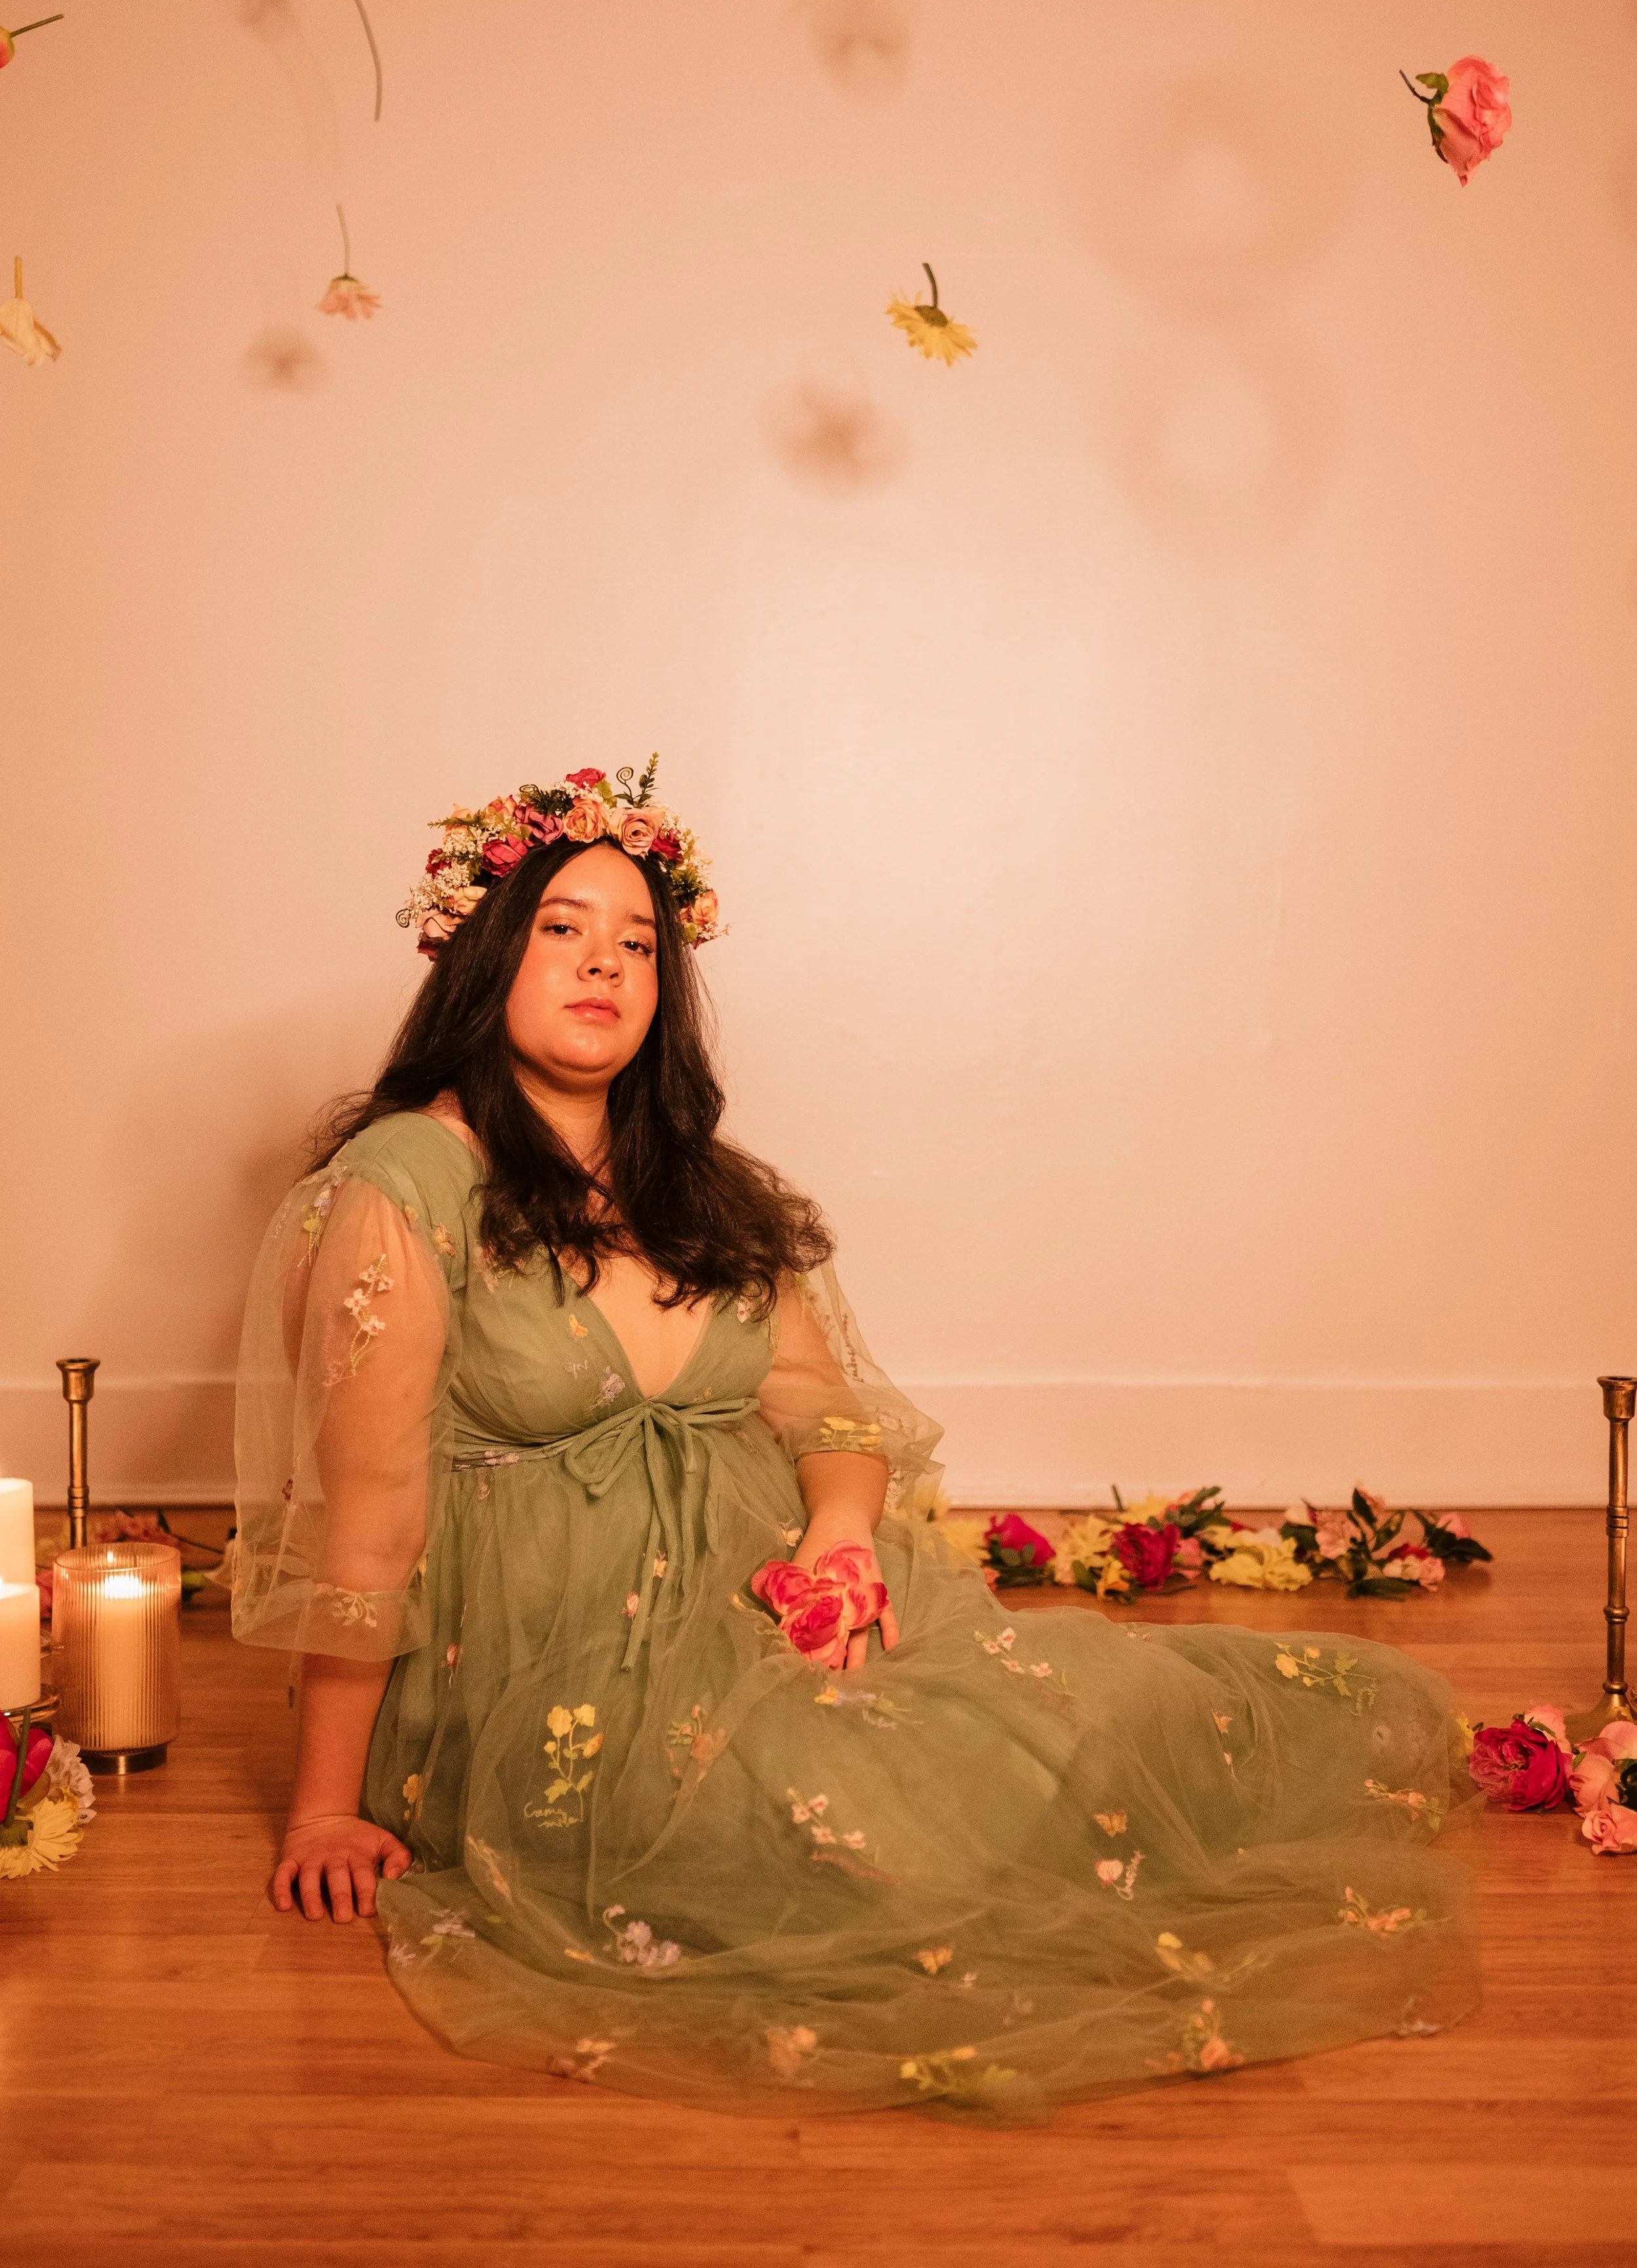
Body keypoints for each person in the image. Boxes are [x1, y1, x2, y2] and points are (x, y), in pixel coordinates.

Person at [233, 761, 1478, 2118]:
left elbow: (818, 1404)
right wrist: (320, 1808)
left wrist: (836, 1534)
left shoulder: (698, 1185)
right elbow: (368, 1517)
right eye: (563, 928)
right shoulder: (408, 1186)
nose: (606, 965)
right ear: (484, 953)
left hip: (750, 1591)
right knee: (860, 1853)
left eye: (639, 943)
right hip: (546, 1656)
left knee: (1053, 1745)